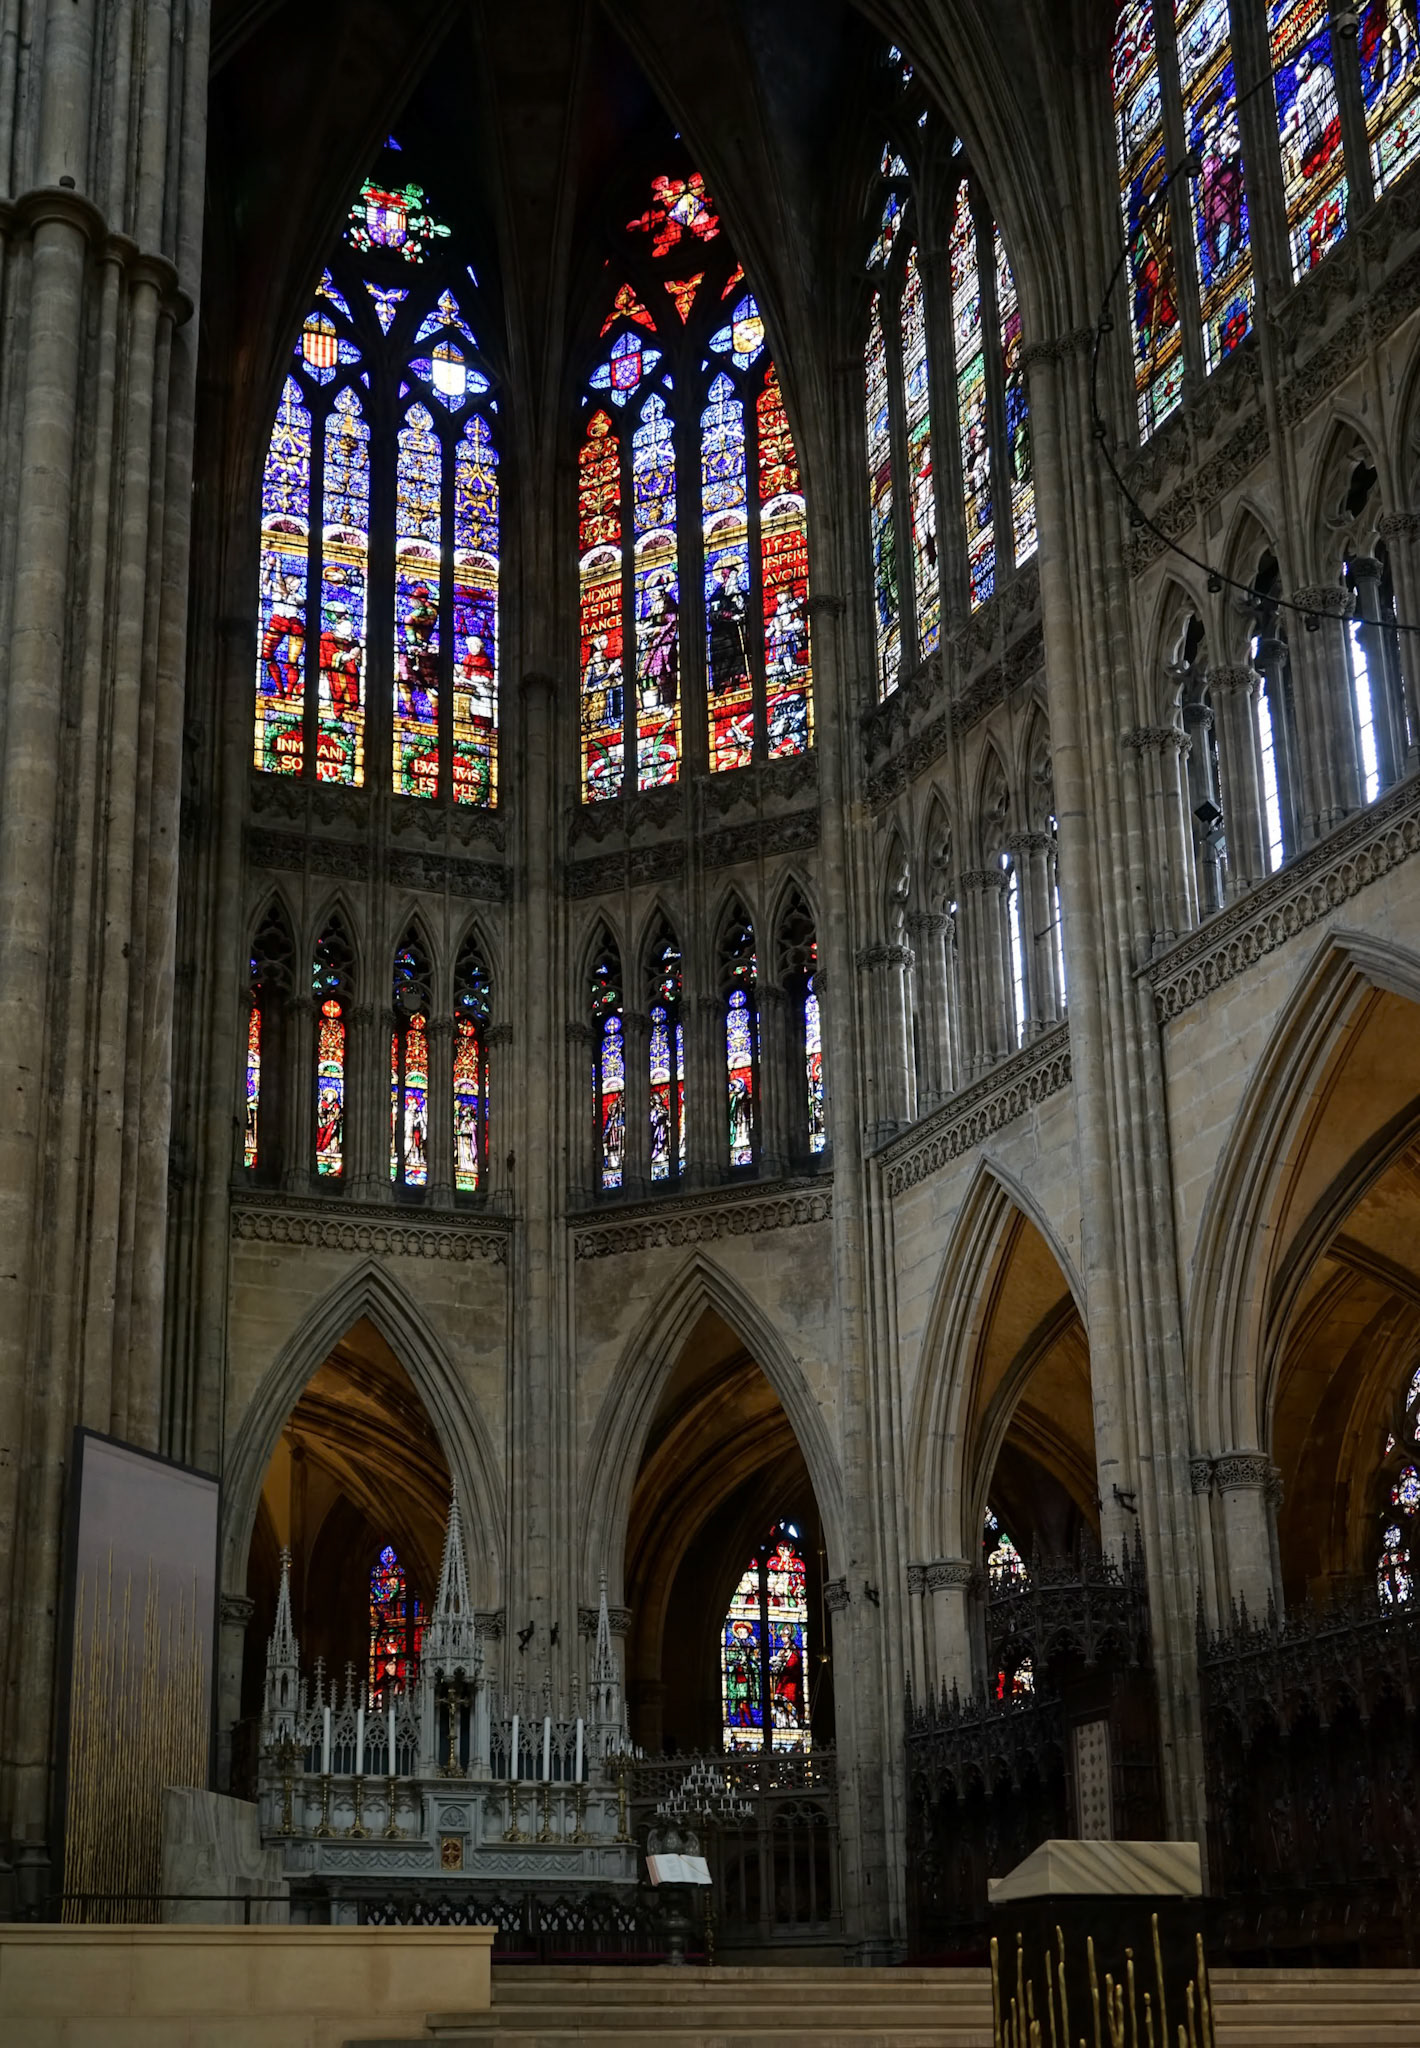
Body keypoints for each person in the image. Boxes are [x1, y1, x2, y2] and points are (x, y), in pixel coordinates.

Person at [261, 568, 305, 697]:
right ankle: (280, 691)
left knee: (293, 661)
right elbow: (266, 580)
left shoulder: (298, 598)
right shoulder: (277, 588)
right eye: (292, 583)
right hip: (277, 623)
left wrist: (278, 568)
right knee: (267, 655)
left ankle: (289, 694)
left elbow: (283, 589)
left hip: (294, 626)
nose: (294, 587)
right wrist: (269, 567)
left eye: (297, 586)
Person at [707, 560, 748, 694]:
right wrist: (730, 616)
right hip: (721, 635)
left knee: (739, 654)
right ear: (725, 578)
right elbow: (714, 615)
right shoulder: (717, 595)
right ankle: (723, 686)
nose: (735, 580)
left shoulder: (739, 593)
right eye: (732, 577)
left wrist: (742, 606)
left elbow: (748, 607)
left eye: (736, 577)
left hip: (737, 631)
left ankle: (738, 681)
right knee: (727, 655)